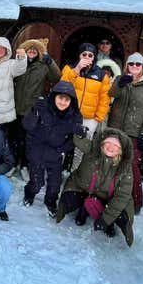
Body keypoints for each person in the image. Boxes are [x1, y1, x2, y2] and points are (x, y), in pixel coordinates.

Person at [55, 128, 135, 247]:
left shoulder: (125, 168)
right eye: (108, 143)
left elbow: (122, 196)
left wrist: (105, 220)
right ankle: (84, 207)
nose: (111, 147)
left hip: (110, 198)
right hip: (84, 189)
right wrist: (77, 131)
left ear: (121, 151)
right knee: (69, 200)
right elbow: (78, 140)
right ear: (102, 144)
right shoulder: (93, 149)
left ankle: (109, 220)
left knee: (122, 215)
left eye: (116, 146)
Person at [108, 52, 143, 214]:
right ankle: (111, 197)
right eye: (131, 64)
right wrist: (120, 84)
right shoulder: (121, 80)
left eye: (138, 64)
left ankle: (135, 201)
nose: (134, 67)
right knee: (112, 164)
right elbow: (111, 94)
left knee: (130, 166)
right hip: (115, 130)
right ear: (127, 66)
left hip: (135, 133)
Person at [22, 81, 82, 218]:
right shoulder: (42, 107)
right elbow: (27, 126)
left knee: (55, 185)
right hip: (37, 149)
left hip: (55, 152)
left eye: (67, 99)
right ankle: (29, 194)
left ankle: (50, 202)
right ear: (54, 97)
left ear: (71, 101)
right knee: (37, 182)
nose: (63, 102)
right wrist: (33, 112)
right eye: (60, 98)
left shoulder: (75, 116)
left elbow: (73, 141)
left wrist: (63, 148)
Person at [11, 38, 61, 178]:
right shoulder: (20, 64)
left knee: (29, 140)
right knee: (15, 139)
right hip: (16, 107)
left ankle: (25, 166)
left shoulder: (43, 66)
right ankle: (15, 163)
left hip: (31, 110)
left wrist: (50, 62)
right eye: (29, 49)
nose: (32, 51)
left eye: (35, 49)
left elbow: (56, 77)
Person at [60, 43, 111, 170]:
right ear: (79, 55)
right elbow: (62, 86)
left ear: (94, 58)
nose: (87, 57)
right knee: (62, 145)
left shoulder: (101, 75)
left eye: (90, 55)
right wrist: (77, 69)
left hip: (89, 119)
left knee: (81, 150)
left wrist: (97, 118)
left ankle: (74, 174)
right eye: (84, 54)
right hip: (69, 114)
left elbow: (105, 99)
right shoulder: (69, 68)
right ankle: (57, 172)